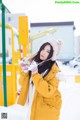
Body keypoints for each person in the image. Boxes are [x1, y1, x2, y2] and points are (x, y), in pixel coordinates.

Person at [17, 40, 62, 120]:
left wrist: (35, 73)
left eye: (48, 51)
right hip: (32, 105)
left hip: (45, 111)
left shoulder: (54, 71)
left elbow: (48, 91)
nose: (43, 52)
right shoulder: (33, 63)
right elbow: (22, 84)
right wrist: (24, 72)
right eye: (43, 49)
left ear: (52, 55)